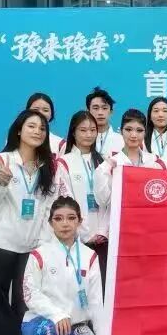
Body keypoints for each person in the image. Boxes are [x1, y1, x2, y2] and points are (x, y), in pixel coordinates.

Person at [0, 110, 66, 335]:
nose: (37, 131)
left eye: (42, 128)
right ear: (18, 130)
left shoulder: (49, 166)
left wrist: (43, 242)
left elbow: (49, 207)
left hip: (31, 246)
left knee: (24, 301)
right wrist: (0, 183)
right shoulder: (1, 161)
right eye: (31, 126)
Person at [95, 109, 166, 335]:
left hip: (151, 236)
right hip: (122, 237)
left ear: (145, 132)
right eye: (129, 130)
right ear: (121, 131)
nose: (134, 135)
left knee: (153, 292)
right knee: (126, 294)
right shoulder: (110, 163)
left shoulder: (154, 162)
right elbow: (102, 200)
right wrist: (109, 173)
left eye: (138, 130)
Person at [21, 196, 106, 335]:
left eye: (71, 218)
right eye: (58, 219)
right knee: (52, 330)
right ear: (50, 223)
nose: (65, 223)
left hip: (75, 326)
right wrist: (57, 314)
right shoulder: (39, 254)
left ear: (79, 221)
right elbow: (30, 293)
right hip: (41, 324)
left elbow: (96, 301)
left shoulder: (89, 256)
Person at [61, 110, 109, 277]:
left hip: (103, 238)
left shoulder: (104, 162)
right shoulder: (64, 162)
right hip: (76, 238)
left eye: (93, 130)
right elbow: (66, 201)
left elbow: (110, 201)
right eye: (83, 130)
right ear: (73, 132)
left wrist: (102, 232)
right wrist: (83, 234)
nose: (89, 134)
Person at [87, 87, 124, 157]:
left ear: (111, 112)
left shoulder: (122, 141)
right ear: (88, 111)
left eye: (104, 108)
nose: (100, 112)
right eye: (96, 108)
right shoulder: (82, 140)